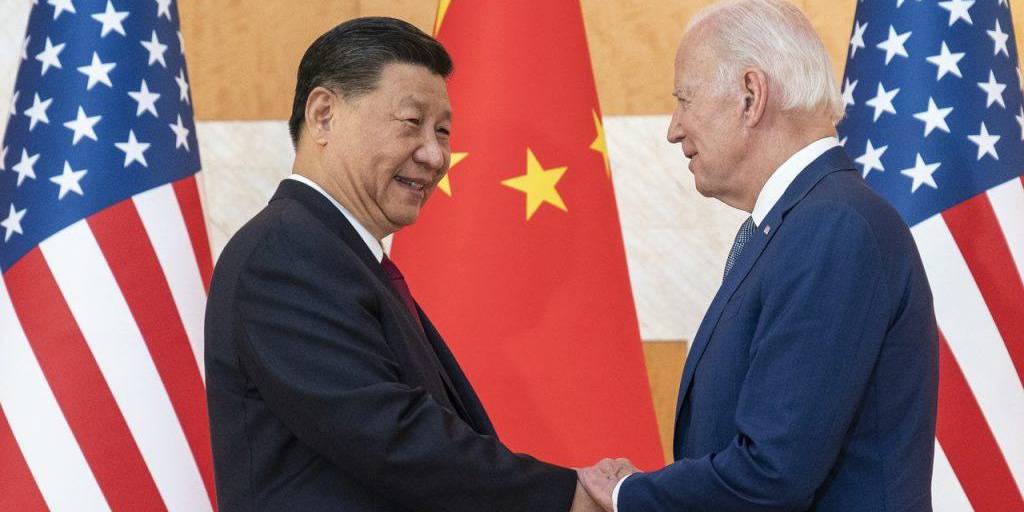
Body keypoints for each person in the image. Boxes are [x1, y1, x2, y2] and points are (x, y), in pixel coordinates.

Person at [204, 17, 598, 511]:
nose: (435, 155)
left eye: (443, 131)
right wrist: (568, 497)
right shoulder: (284, 255)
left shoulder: (339, 254)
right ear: (324, 115)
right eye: (412, 122)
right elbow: (390, 436)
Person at [578, 1, 939, 510]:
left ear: (751, 96)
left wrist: (626, 495)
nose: (674, 129)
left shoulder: (833, 227)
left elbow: (772, 472)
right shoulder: (802, 223)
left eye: (685, 100)